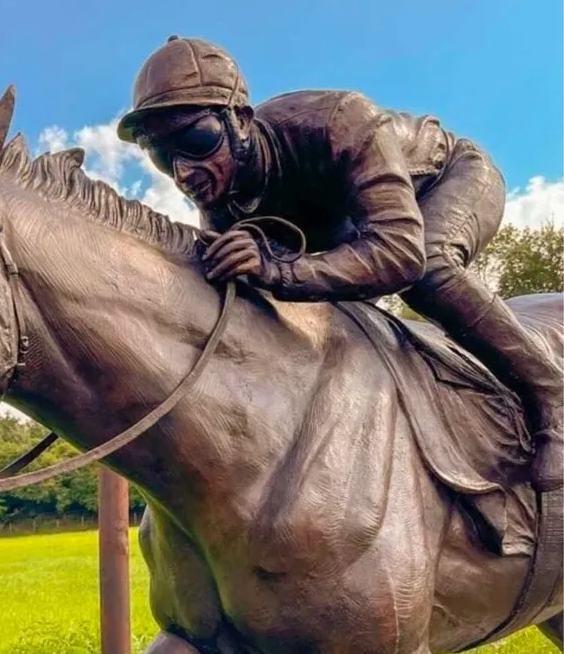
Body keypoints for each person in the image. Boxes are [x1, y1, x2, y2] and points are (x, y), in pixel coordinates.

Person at [117, 36, 562, 492]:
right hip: (352, 227)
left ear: (241, 121)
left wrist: (277, 270)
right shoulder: (220, 199)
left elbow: (399, 253)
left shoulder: (338, 120)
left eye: (197, 140)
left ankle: (552, 392)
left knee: (429, 269)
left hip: (445, 180)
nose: (184, 171)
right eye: (162, 156)